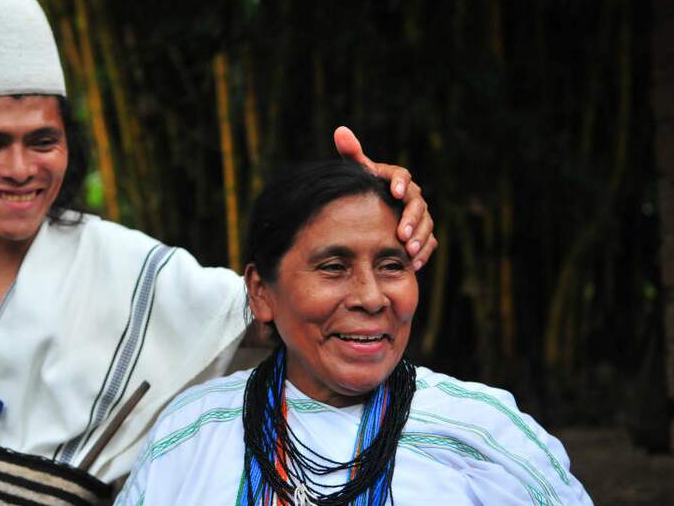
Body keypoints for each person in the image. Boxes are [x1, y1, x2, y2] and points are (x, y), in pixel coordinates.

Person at [0, 0, 436, 505]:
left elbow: (278, 313)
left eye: (42, 140)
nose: (19, 167)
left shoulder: (128, 268)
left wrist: (377, 223)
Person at [116, 160, 592, 506]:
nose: (370, 296)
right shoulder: (193, 430)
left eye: (391, 265)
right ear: (262, 292)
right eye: (333, 266)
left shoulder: (484, 431)